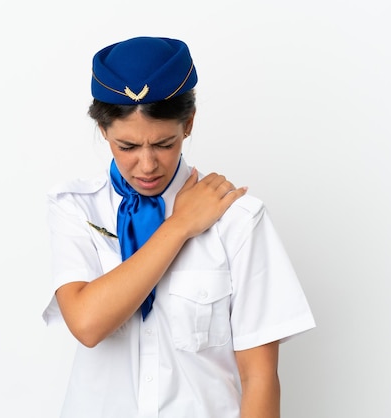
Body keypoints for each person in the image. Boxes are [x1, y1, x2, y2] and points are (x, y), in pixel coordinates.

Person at [42, 36, 315, 418]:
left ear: (188, 123)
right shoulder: (76, 208)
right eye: (127, 147)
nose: (148, 164)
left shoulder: (239, 220)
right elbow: (87, 323)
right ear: (103, 131)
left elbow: (260, 377)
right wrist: (178, 227)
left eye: (164, 143)